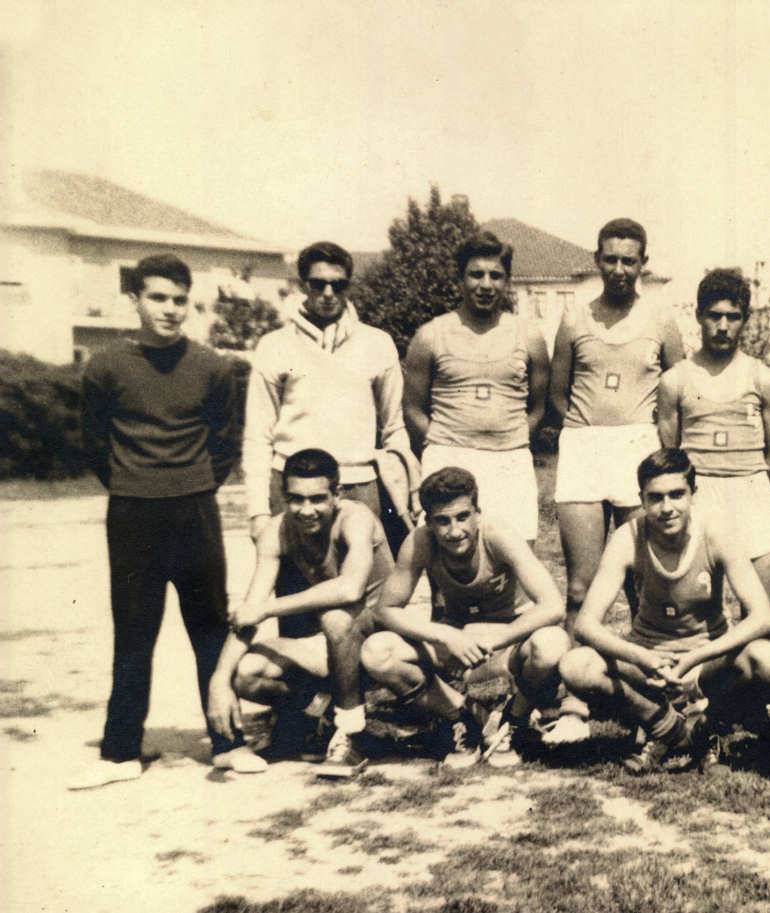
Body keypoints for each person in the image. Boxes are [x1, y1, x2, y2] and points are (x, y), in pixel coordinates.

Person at [74, 253, 241, 789]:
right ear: (135, 301)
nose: (169, 309)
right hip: (132, 512)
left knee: (209, 626)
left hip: (195, 508)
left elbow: (225, 443)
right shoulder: (105, 366)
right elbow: (95, 443)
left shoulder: (213, 367)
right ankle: (121, 752)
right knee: (134, 631)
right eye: (158, 298)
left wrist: (193, 483)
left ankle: (228, 744)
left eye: (179, 300)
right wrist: (136, 482)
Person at [558, 448, 770, 775]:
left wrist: (697, 658)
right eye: (656, 498)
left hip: (705, 661)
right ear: (641, 499)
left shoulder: (716, 533)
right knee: (576, 665)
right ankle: (664, 726)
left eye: (677, 495)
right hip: (649, 659)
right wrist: (640, 657)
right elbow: (585, 625)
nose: (667, 508)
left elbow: (763, 617)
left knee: (768, 659)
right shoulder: (627, 537)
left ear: (693, 494)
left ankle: (710, 725)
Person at [547, 218, 685, 742]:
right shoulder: (574, 317)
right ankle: (574, 703)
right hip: (584, 446)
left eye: (630, 260)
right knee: (580, 586)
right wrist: (586, 428)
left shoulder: (662, 318)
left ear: (644, 263)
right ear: (597, 260)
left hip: (638, 448)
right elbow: (557, 392)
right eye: (611, 259)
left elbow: (676, 386)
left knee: (642, 584)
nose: (620, 269)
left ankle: (654, 694)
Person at [361, 467, 570, 768]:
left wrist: (497, 638)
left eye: (462, 517)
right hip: (458, 641)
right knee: (377, 652)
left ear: (477, 513)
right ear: (428, 522)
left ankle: (513, 721)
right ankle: (461, 718)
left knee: (553, 643)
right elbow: (385, 609)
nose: (455, 531)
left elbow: (552, 606)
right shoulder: (420, 542)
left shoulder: (497, 535)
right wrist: (447, 636)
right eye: (442, 521)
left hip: (509, 640)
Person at [204, 449, 393, 777]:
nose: (306, 510)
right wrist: (219, 680)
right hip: (335, 642)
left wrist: (266, 609)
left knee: (336, 617)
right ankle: (323, 715)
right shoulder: (277, 530)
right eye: (296, 499)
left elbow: (350, 590)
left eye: (317, 499)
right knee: (246, 673)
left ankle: (351, 733)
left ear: (337, 494)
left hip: (383, 637)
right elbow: (250, 609)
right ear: (284, 497)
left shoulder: (356, 518)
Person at [243, 241, 418, 553]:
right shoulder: (274, 345)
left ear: (349, 286)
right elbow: (258, 436)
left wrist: (410, 491)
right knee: (292, 582)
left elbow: (394, 429)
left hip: (359, 488)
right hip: (294, 489)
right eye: (318, 284)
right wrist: (258, 512)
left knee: (366, 580)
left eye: (338, 285)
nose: (328, 293)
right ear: (302, 285)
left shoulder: (377, 344)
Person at [402, 231, 550, 545]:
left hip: (510, 459)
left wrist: (515, 437)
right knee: (447, 556)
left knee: (516, 554)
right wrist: (440, 441)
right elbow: (412, 408)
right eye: (476, 274)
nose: (486, 284)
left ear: (507, 281)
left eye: (495, 276)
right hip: (448, 457)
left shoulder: (529, 336)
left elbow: (540, 406)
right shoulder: (430, 335)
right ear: (460, 278)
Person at [656, 268, 770, 600]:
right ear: (699, 316)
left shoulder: (761, 377)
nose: (723, 326)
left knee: (759, 607)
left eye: (733, 317)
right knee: (699, 607)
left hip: (751, 490)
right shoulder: (675, 380)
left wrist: (751, 484)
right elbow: (671, 454)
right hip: (701, 492)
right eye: (714, 316)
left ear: (745, 319)